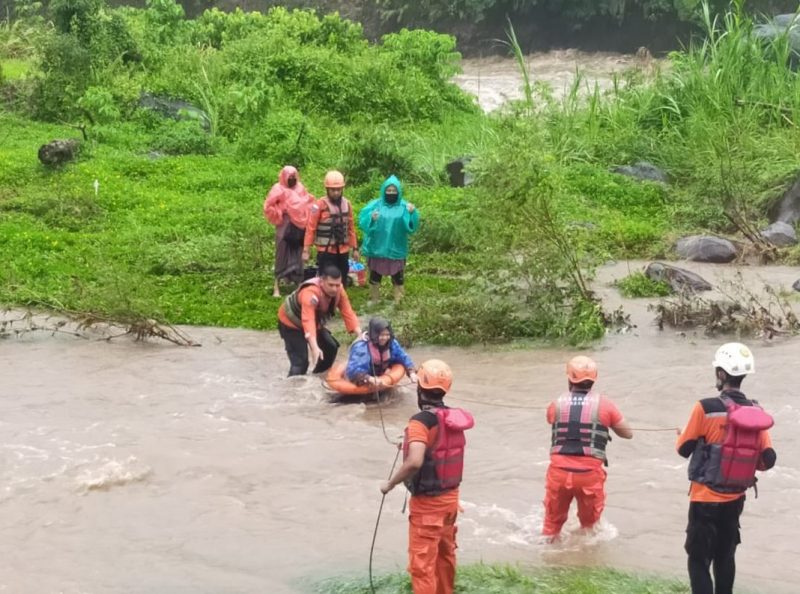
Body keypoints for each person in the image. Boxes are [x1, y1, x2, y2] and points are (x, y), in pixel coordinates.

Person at [676, 343, 776, 594]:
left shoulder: (705, 408)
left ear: (721, 374)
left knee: (698, 559)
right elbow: (768, 459)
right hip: (735, 500)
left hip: (704, 499)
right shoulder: (756, 412)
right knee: (725, 556)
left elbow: (683, 449)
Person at [380, 359, 474, 594]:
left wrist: (389, 484)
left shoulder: (420, 421)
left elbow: (415, 461)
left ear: (420, 388)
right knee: (445, 556)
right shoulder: (454, 418)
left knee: (422, 567)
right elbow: (439, 446)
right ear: (445, 389)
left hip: (427, 508)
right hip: (451, 502)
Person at [542, 355, 632, 541]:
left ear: (570, 378)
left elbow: (551, 419)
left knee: (552, 524)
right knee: (591, 527)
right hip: (589, 475)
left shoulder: (556, 403)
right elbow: (628, 433)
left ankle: (547, 556)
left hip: (559, 472)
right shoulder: (605, 405)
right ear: (593, 379)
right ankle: (587, 560)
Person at [277, 266, 361, 376]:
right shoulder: (310, 293)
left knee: (330, 348)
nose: (335, 289)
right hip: (291, 324)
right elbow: (308, 320)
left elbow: (348, 312)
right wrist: (314, 347)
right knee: (300, 363)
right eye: (331, 285)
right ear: (321, 281)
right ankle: (292, 388)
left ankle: (317, 378)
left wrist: (360, 335)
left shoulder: (339, 290)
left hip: (314, 323)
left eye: (337, 285)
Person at [358, 175, 419, 304]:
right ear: (384, 191)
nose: (391, 193)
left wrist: (413, 213)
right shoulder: (375, 205)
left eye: (394, 191)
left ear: (398, 192)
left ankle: (399, 301)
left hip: (396, 249)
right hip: (377, 248)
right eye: (388, 190)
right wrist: (371, 219)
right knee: (374, 276)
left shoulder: (405, 207)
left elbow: (411, 227)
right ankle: (374, 300)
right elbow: (363, 222)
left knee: (398, 277)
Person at [263, 165, 315, 297]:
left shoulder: (300, 188)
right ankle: (277, 285)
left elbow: (307, 202)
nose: (292, 179)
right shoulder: (278, 189)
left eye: (294, 177)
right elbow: (269, 206)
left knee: (298, 254)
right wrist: (281, 211)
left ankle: (297, 284)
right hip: (284, 227)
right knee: (282, 253)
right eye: (289, 177)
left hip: (298, 228)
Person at [303, 170, 359, 284]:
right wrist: (306, 250)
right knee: (326, 279)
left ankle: (340, 299)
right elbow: (311, 228)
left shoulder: (347, 204)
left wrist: (355, 249)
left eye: (338, 189)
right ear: (327, 189)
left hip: (343, 249)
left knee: (342, 277)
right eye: (333, 190)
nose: (336, 193)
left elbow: (351, 228)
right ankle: (326, 300)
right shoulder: (319, 205)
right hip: (326, 250)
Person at [345, 317, 417, 386]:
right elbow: (354, 369)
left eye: (387, 335)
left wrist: (411, 373)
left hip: (380, 374)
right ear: (374, 334)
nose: (385, 338)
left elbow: (403, 357)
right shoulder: (361, 346)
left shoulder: (391, 343)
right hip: (365, 377)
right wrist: (369, 378)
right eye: (381, 335)